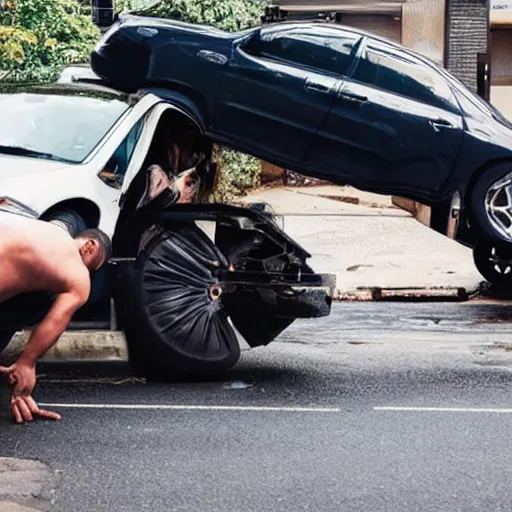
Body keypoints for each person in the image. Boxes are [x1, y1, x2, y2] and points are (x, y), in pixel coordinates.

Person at [0, 214, 111, 424]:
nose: (89, 273)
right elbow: (55, 321)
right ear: (89, 247)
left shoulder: (44, 230)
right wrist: (26, 364)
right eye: (93, 268)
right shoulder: (78, 274)